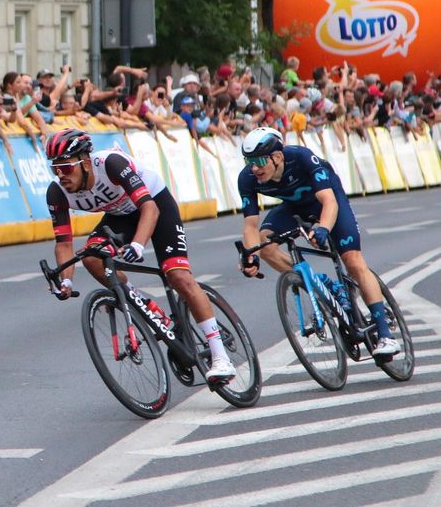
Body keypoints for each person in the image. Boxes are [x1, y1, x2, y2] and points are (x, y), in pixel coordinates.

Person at [44, 128, 237, 384]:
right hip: (120, 216)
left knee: (178, 276)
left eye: (66, 168)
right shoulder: (57, 192)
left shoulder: (111, 164)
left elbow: (149, 208)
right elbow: (64, 244)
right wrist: (66, 281)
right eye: (55, 169)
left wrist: (138, 244)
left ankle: (220, 356)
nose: (61, 175)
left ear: (86, 162)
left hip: (155, 204)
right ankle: (142, 303)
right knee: (91, 256)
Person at [236, 128, 399, 356]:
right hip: (294, 207)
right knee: (265, 246)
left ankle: (385, 335)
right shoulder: (247, 178)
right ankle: (318, 282)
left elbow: (329, 201)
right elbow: (251, 226)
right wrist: (250, 254)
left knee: (352, 261)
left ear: (278, 157)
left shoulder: (301, 157)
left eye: (260, 161)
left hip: (328, 202)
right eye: (249, 161)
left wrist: (323, 228)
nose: (254, 167)